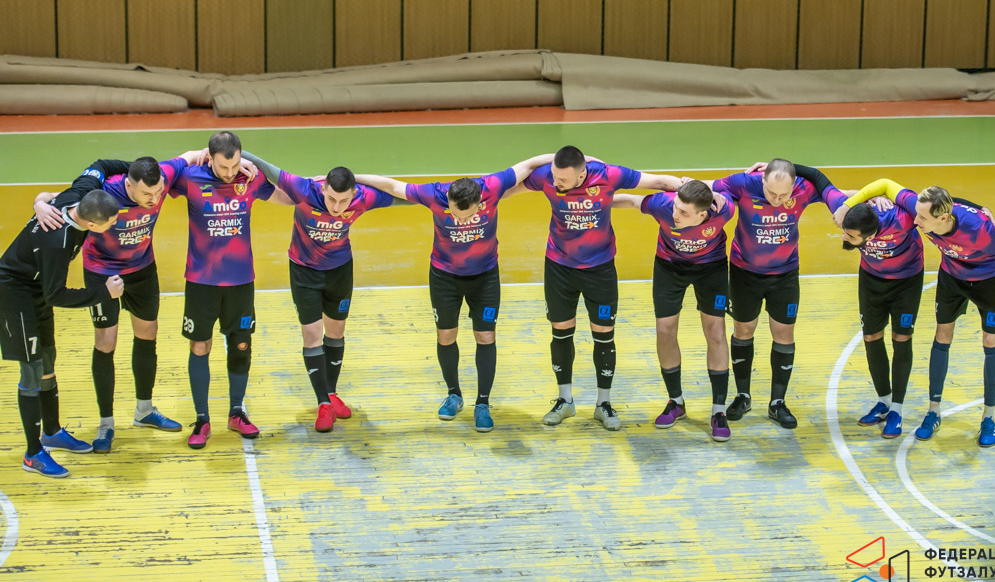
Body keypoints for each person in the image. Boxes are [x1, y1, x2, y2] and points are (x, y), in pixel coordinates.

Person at [354, 155, 553, 432]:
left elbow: (529, 166)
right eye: (456, 214)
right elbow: (392, 186)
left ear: (479, 202)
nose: (461, 220)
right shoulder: (434, 194)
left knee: (485, 336)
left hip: (485, 277)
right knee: (446, 336)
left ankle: (482, 403)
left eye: (468, 215)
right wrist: (353, 178)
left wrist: (572, 159)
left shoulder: (492, 187)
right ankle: (454, 395)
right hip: (444, 277)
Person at [32, 153, 208, 452]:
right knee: (106, 342)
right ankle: (106, 423)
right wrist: (39, 203)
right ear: (128, 184)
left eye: (158, 192)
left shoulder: (162, 177)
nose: (154, 199)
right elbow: (55, 197)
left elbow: (193, 155)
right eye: (146, 194)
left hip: (142, 269)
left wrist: (245, 162)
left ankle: (144, 410)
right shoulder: (102, 190)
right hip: (101, 272)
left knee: (148, 333)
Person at [840, 180, 995, 447]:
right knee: (942, 335)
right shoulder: (921, 210)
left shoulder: (980, 230)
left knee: (990, 340)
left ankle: (988, 417)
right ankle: (933, 412)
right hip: (952, 276)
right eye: (918, 213)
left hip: (988, 279)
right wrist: (867, 199)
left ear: (943, 218)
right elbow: (886, 185)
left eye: (922, 218)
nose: (916, 220)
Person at [522, 146, 682, 430]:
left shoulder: (608, 175)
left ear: (581, 173)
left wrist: (700, 191)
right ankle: (565, 401)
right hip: (559, 267)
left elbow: (658, 181)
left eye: (563, 179)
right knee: (561, 333)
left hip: (600, 269)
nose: (556, 183)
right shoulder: (547, 176)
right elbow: (509, 185)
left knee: (604, 336)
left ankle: (603, 404)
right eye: (555, 177)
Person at [241, 150, 394, 432]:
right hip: (304, 271)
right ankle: (323, 402)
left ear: (353, 194)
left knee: (336, 332)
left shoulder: (363, 198)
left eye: (343, 201)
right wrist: (238, 157)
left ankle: (332, 393)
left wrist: (442, 200)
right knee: (312, 334)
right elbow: (267, 167)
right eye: (331, 199)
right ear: (323, 188)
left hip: (340, 271)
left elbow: (405, 195)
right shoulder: (304, 189)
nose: (336, 207)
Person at [710, 159, 846, 429]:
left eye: (783, 195)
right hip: (744, 272)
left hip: (785, 274)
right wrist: (694, 189)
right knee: (743, 330)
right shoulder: (743, 183)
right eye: (771, 193)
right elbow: (708, 188)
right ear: (762, 179)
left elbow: (837, 194)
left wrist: (875, 197)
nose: (777, 200)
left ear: (794, 185)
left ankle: (777, 403)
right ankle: (743, 396)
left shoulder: (805, 189)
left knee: (784, 334)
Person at [1, 178, 123, 477]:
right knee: (32, 370)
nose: (114, 224)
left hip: (37, 288)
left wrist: (39, 202)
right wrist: (104, 293)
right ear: (91, 225)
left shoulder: (74, 199)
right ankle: (32, 454)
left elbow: (100, 165)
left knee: (48, 359)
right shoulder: (57, 242)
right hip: (15, 295)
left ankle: (52, 432)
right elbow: (56, 295)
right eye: (111, 222)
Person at [168, 132, 282, 449]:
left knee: (241, 346)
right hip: (201, 281)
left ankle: (236, 413)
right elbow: (159, 176)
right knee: (200, 346)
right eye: (223, 167)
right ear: (210, 158)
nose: (230, 173)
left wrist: (255, 164)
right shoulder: (190, 177)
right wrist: (192, 153)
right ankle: (202, 420)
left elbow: (289, 196)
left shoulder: (250, 178)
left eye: (235, 165)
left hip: (241, 280)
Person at [612, 180, 735, 441]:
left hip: (711, 267)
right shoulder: (663, 205)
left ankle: (719, 410)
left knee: (715, 332)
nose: (675, 214)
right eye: (676, 208)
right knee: (665, 330)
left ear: (702, 215)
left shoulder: (724, 210)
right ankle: (676, 402)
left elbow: (738, 191)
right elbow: (632, 200)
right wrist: (596, 203)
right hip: (669, 267)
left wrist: (715, 192)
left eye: (683, 212)